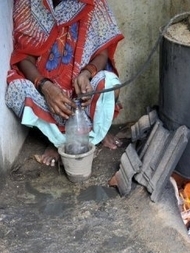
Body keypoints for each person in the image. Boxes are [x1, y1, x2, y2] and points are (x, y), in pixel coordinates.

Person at [6, 0, 125, 166]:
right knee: (17, 90)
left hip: (83, 97)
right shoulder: (29, 3)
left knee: (109, 82)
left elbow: (102, 53)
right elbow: (24, 56)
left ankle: (97, 130)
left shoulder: (94, 3)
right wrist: (45, 87)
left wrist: (86, 74)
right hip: (48, 97)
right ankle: (59, 141)